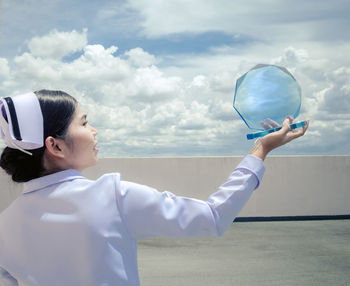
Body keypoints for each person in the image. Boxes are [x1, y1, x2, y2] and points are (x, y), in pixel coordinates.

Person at [0, 90, 309, 286]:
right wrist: (260, 151)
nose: (93, 130)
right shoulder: (112, 196)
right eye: (83, 122)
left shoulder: (5, 224)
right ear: (54, 146)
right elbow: (212, 217)